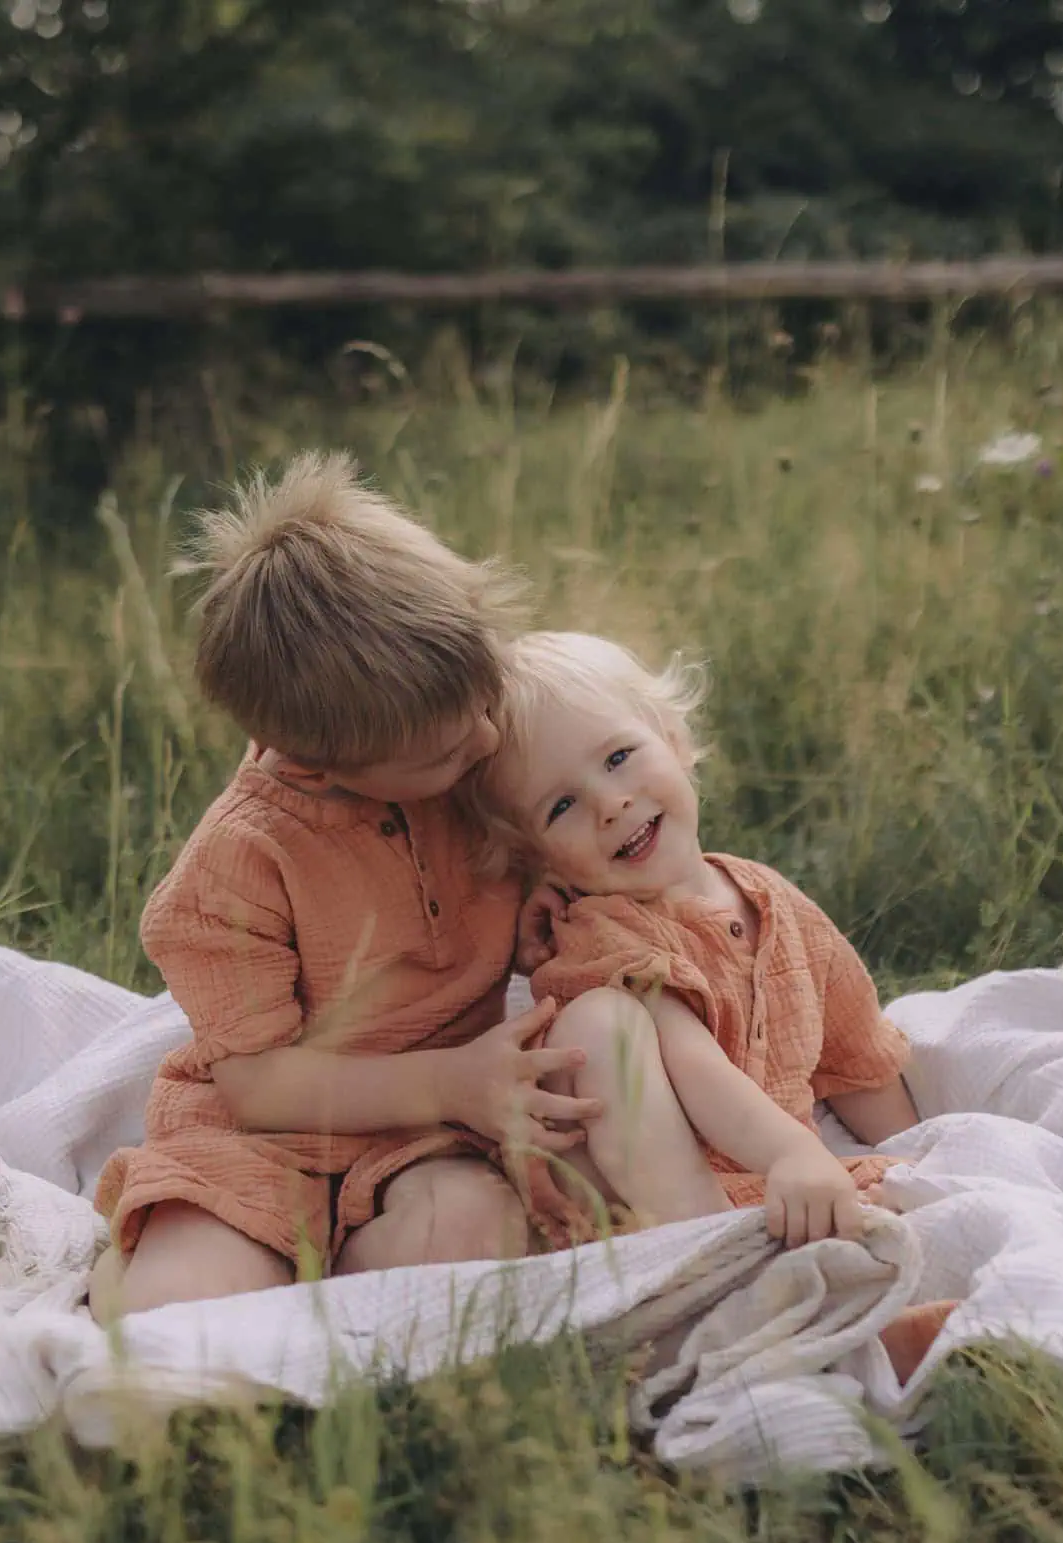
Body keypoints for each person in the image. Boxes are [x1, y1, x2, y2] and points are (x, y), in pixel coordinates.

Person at [88, 455, 605, 1322]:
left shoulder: (461, 755)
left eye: (486, 706)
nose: (485, 742)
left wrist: (531, 923)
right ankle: (161, 1280)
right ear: (320, 768)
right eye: (446, 752)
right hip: (263, 1136)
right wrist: (451, 1080)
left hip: (426, 1138)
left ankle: (340, 1283)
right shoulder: (241, 859)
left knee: (475, 1236)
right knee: (185, 1309)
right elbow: (258, 1089)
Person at [477, 631, 924, 1250]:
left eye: (618, 757)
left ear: (675, 739)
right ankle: (703, 1246)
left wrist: (918, 1152)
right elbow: (690, 1061)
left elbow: (855, 1055)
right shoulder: (601, 931)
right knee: (601, 1021)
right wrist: (794, 1153)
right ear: (538, 859)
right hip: (627, 1196)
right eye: (561, 806)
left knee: (899, 1197)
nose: (611, 803)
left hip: (760, 1171)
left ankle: (757, 1236)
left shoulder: (771, 901)